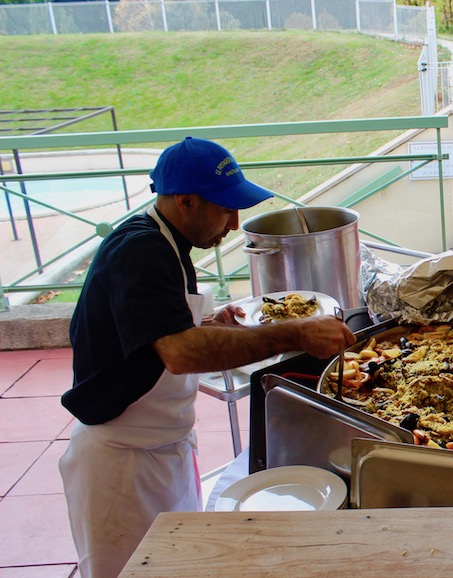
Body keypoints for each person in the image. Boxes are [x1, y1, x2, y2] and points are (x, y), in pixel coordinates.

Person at [58, 137, 357, 577]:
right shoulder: (141, 251)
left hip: (161, 450)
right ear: (186, 202)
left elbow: (155, 335)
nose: (235, 225)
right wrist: (294, 332)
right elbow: (179, 353)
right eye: (225, 210)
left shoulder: (167, 242)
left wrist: (214, 325)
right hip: (121, 466)